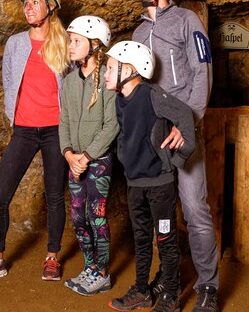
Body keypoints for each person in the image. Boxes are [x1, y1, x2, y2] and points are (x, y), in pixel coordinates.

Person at [130, 0, 218, 311]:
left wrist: (189, 124)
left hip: (183, 130)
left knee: (195, 209)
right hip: (153, 135)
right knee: (159, 213)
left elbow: (203, 72)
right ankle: (169, 281)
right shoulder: (136, 33)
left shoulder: (187, 21)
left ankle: (208, 287)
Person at [0, 0, 70, 282]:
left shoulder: (66, 43)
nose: (28, 7)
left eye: (35, 2)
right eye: (25, 3)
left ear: (51, 7)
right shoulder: (15, 43)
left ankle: (52, 257)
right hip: (24, 130)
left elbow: (76, 87)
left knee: (54, 197)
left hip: (55, 130)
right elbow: (8, 81)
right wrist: (14, 117)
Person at [104, 41, 197, 312]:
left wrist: (177, 160)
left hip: (160, 185)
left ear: (130, 70)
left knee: (165, 240)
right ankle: (142, 290)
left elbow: (184, 116)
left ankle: (170, 295)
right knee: (141, 238)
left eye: (110, 68)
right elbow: (126, 135)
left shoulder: (151, 94)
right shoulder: (120, 99)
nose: (106, 73)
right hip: (135, 184)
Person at [60, 15, 119, 296]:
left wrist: (86, 156)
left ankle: (103, 272)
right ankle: (89, 266)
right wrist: (69, 154)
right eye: (70, 40)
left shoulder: (108, 78)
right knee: (77, 216)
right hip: (75, 162)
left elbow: (112, 125)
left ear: (94, 45)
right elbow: (65, 121)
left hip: (99, 162)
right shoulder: (69, 82)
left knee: (96, 216)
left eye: (76, 41)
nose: (70, 46)